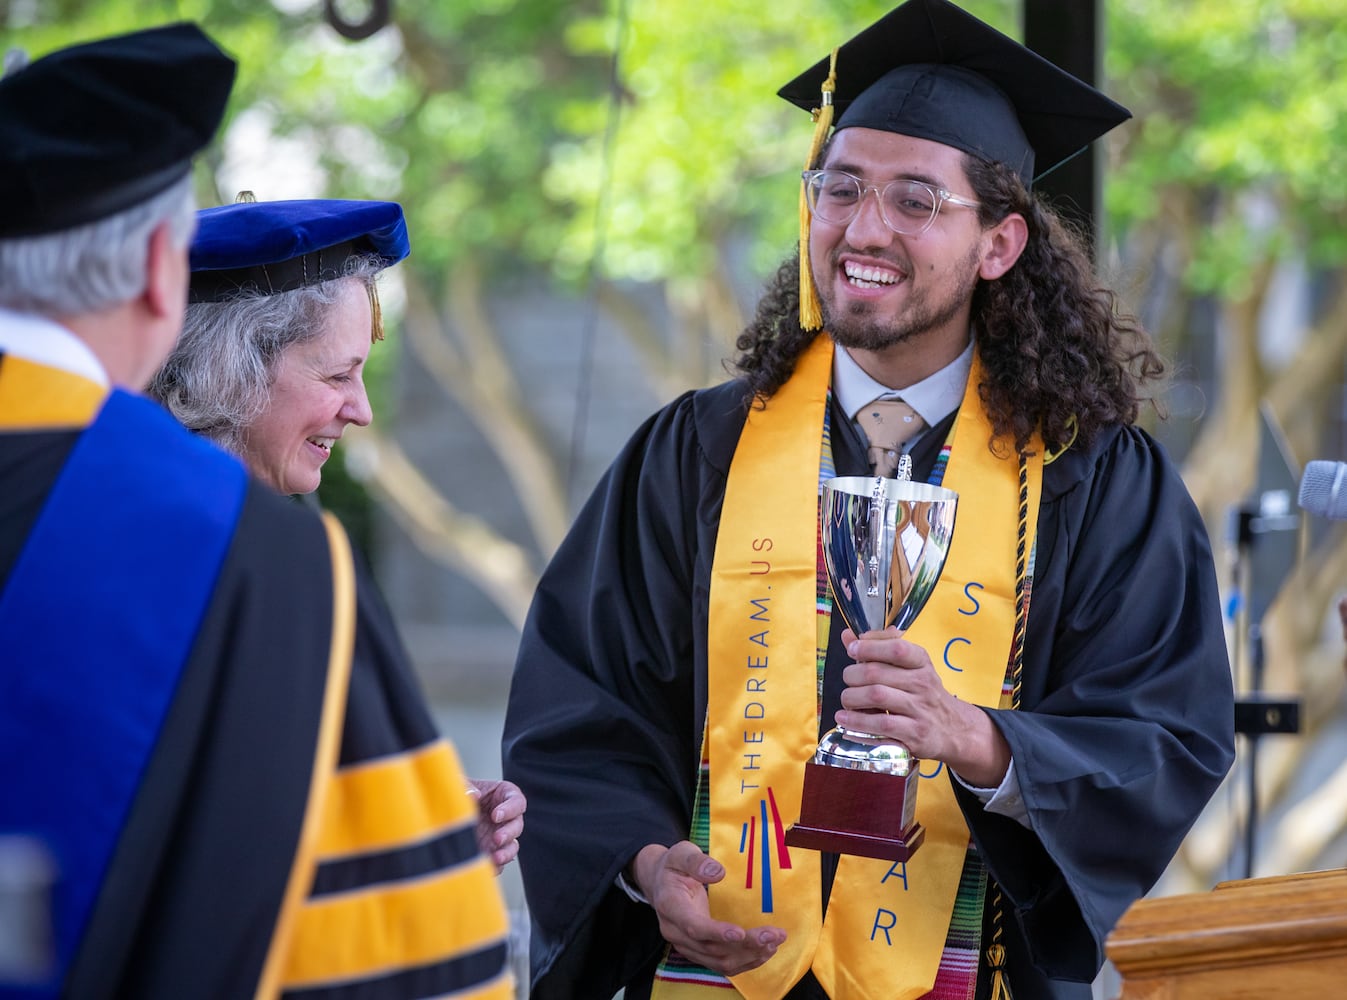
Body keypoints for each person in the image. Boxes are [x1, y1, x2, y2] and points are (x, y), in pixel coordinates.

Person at [501, 1, 1236, 998]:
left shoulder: (1092, 477)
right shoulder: (697, 453)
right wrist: (642, 863)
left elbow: (1163, 732)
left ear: (1000, 243)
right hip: (720, 963)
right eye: (838, 188)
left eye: (916, 201)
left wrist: (980, 740)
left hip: (972, 972)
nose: (862, 228)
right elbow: (579, 709)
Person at [0, 23, 514, 999]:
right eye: (339, 373)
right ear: (160, 271)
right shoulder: (259, 560)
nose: (360, 408)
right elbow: (383, 956)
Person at [148, 196, 527, 871]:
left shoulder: (259, 539)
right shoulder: (226, 555)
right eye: (337, 374)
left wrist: (423, 822)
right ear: (229, 369)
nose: (361, 409)